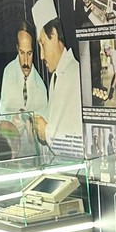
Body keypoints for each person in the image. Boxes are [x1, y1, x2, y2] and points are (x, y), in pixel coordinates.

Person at [35, 18, 83, 147]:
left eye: (43, 44)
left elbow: (76, 138)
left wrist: (46, 132)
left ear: (54, 34)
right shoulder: (56, 77)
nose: (41, 55)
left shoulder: (75, 74)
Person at [0, 21, 49, 120]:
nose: (25, 61)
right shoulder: (8, 72)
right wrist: (13, 120)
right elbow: (3, 114)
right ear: (17, 48)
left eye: (29, 53)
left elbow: (44, 121)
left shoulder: (41, 87)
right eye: (22, 53)